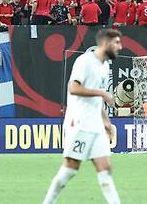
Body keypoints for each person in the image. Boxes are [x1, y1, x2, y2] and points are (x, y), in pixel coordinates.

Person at [42, 29, 122, 204]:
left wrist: (106, 121)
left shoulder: (105, 65)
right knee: (70, 168)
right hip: (79, 122)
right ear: (106, 43)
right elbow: (74, 88)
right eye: (116, 43)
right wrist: (101, 93)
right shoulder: (84, 61)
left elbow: (95, 99)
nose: (120, 47)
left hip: (95, 124)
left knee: (105, 168)